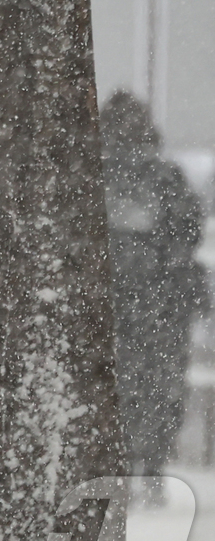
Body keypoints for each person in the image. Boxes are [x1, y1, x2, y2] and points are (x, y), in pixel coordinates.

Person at [102, 90, 209, 502]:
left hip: (116, 305)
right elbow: (189, 233)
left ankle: (126, 464)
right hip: (163, 304)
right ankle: (152, 468)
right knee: (159, 388)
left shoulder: (93, 175)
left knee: (120, 384)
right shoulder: (165, 177)